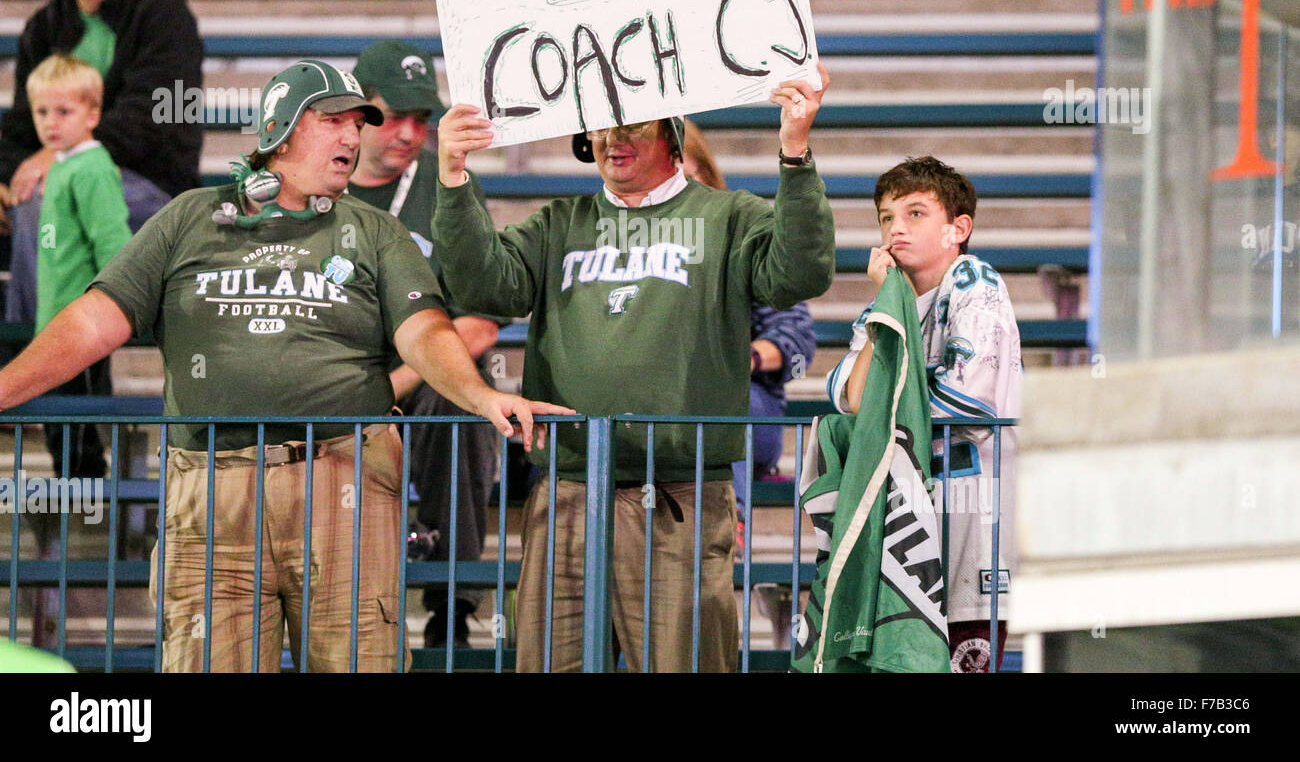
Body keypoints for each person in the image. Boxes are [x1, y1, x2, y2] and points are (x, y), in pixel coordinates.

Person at [0, 59, 571, 672]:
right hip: (212, 487)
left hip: (342, 480)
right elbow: (93, 321)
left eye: (359, 125)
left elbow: (424, 331)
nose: (352, 137)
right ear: (278, 129)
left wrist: (478, 395)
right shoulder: (190, 218)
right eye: (333, 121)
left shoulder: (375, 232)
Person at [431, 63, 836, 672]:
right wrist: (455, 177)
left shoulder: (728, 217)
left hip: (681, 496)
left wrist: (796, 151)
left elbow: (801, 273)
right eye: (599, 126)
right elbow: (485, 286)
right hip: (567, 493)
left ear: (672, 132)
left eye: (632, 122)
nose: (612, 138)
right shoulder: (557, 224)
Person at [826, 156, 1021, 673]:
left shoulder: (976, 281)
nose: (896, 229)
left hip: (970, 521)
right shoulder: (890, 302)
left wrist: (887, 407)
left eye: (914, 214)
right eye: (887, 217)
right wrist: (885, 302)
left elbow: (971, 403)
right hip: (907, 524)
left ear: (958, 228)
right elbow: (849, 396)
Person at [348, 39, 510, 648]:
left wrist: (399, 380)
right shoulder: (316, 178)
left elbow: (480, 322)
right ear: (357, 109)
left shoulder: (449, 183)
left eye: (424, 119)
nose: (411, 133)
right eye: (394, 116)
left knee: (465, 398)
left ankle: (452, 604)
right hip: (332, 366)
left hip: (419, 370)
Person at [0, 0, 203, 327]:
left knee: (50, 198)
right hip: (74, 182)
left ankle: (45, 370)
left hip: (155, 190)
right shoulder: (45, 27)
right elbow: (19, 126)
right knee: (42, 194)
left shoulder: (161, 14)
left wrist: (60, 158)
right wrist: (7, 177)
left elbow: (155, 118)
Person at [679, 120, 816, 542]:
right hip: (656, 410)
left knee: (721, 397)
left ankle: (725, 526)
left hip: (741, 407)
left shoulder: (744, 237)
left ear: (704, 174)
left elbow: (797, 343)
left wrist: (743, 359)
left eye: (683, 180)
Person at [29, 54, 131, 478]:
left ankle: (90, 518)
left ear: (93, 114)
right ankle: (77, 516)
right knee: (60, 425)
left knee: (76, 427)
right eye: (41, 111)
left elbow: (113, 243)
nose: (50, 122)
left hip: (81, 327)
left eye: (64, 111)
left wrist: (107, 310)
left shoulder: (90, 169)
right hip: (58, 322)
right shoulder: (65, 164)